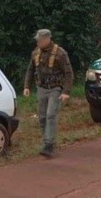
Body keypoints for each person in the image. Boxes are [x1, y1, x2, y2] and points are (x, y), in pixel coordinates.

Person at [23, 29, 74, 158]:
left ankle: (49, 145)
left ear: (47, 39)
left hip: (55, 88)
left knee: (51, 115)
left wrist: (66, 91)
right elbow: (30, 70)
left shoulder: (60, 53)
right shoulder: (35, 53)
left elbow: (68, 73)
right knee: (42, 117)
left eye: (39, 40)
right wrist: (26, 86)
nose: (38, 42)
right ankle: (47, 140)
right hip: (41, 88)